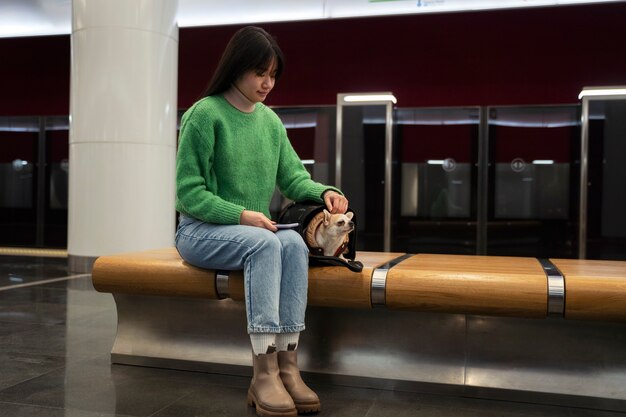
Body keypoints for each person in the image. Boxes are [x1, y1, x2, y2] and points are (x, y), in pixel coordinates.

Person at [174, 26, 349, 417]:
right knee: (268, 242)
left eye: (273, 75)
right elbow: (188, 193)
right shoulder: (204, 115)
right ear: (236, 68)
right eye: (260, 73)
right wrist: (239, 214)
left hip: (254, 232)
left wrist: (324, 193)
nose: (268, 83)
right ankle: (263, 372)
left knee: (290, 242)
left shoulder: (269, 122)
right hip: (199, 230)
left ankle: (288, 367)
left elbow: (293, 178)